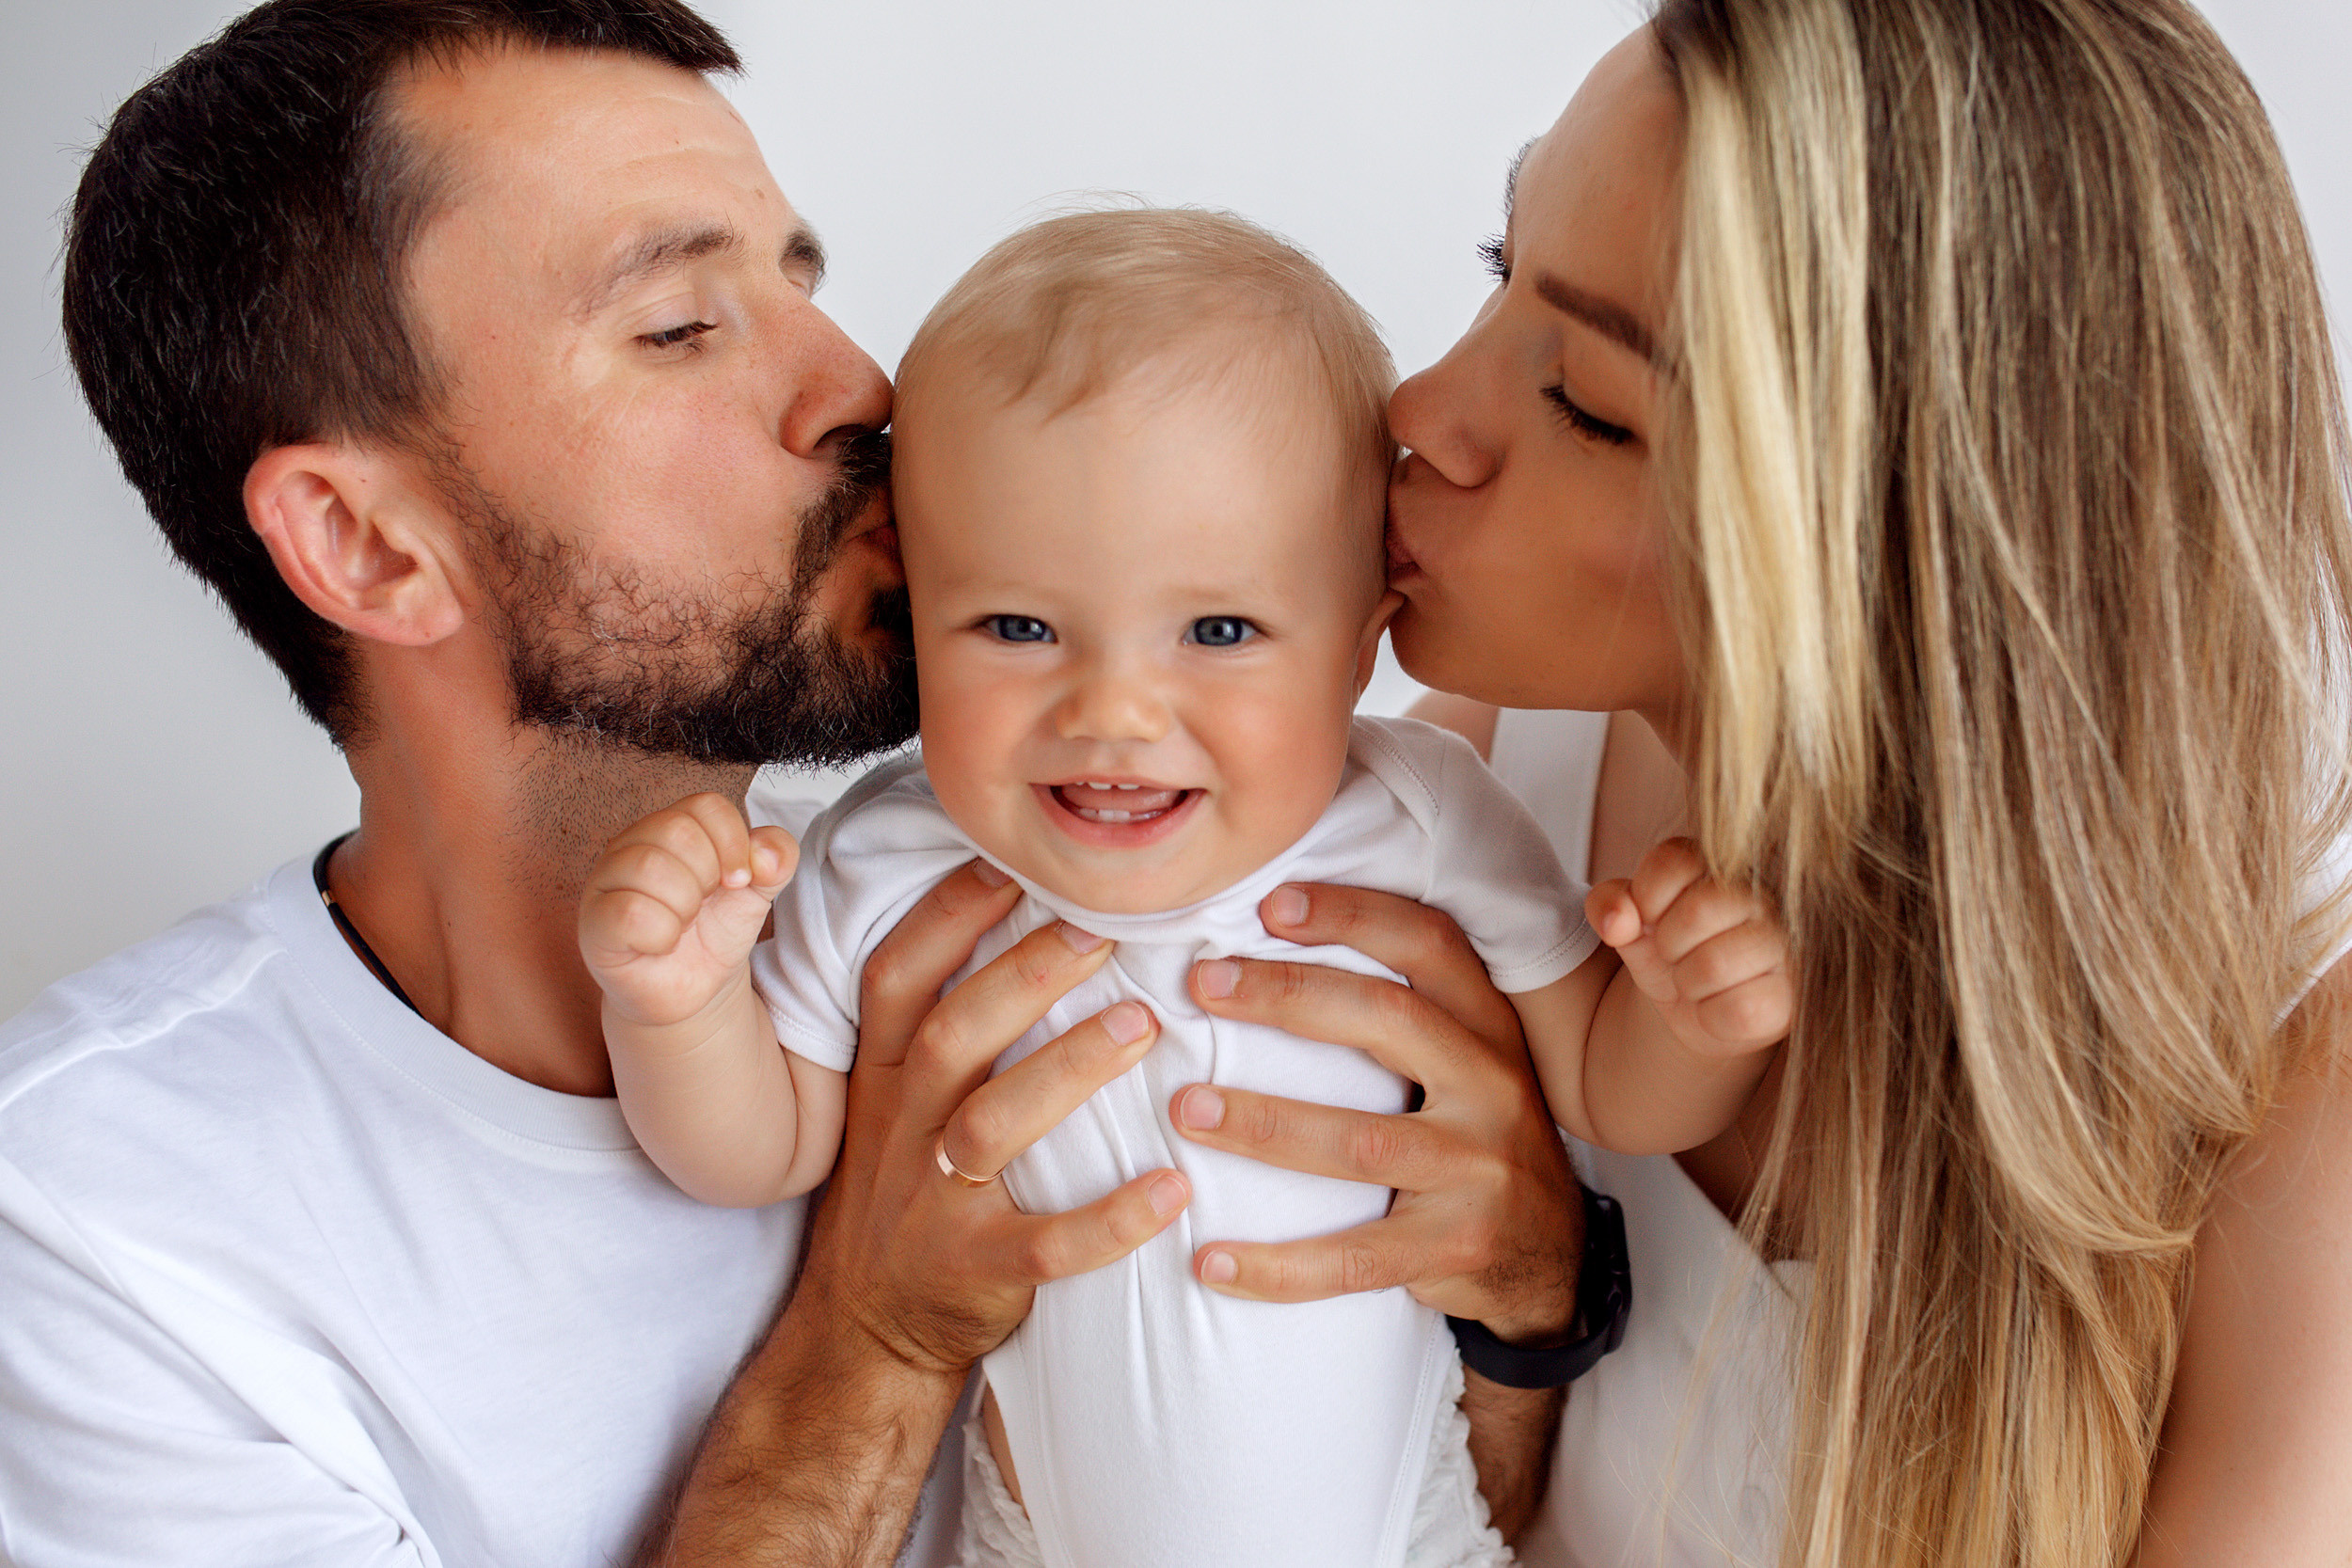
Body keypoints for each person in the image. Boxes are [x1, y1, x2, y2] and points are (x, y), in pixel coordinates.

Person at [0, 3, 1598, 1563]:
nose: (859, 385)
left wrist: (1532, 1303)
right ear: (366, 543)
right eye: (682, 325)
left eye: (802, 283)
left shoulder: (1071, 876)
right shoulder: (107, 1231)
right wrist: (878, 1339)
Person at [578, 207, 1794, 1567]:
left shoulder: (1422, 814)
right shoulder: (892, 856)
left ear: (1361, 642)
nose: (1112, 712)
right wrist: (674, 1006)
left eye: (1218, 630)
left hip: (1412, 1536)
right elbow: (758, 1151)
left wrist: (1694, 1026)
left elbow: (1610, 1092)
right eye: (1019, 626)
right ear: (915, 615)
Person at [1375, 1, 2352, 1565]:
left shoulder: (2292, 1082)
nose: (1420, 414)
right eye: (1499, 273)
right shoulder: (1482, 776)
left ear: (1914, 548)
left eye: (1589, 407)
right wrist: (1519, 1325)